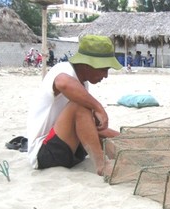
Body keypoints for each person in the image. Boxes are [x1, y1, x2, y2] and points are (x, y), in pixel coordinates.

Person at [26, 34, 123, 176]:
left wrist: (123, 138)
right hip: (44, 152)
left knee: (113, 136)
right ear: (87, 64)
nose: (106, 75)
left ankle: (126, 156)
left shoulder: (82, 84)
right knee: (79, 106)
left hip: (70, 150)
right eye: (104, 69)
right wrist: (97, 107)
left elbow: (90, 129)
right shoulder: (63, 69)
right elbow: (62, 83)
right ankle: (101, 165)